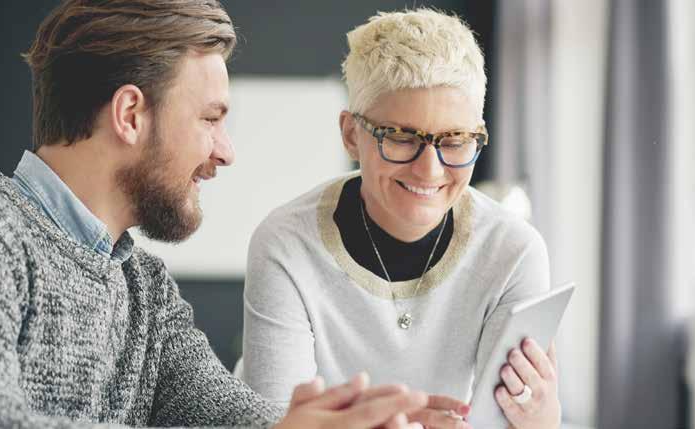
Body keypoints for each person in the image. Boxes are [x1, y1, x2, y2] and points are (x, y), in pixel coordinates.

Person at [0, 1, 440, 427]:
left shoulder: (141, 289)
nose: (225, 151)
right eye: (211, 118)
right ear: (129, 115)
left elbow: (231, 419)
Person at [240, 8, 561, 429]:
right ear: (352, 134)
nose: (429, 170)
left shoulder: (515, 251)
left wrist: (542, 421)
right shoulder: (285, 244)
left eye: (455, 140)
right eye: (402, 138)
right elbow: (278, 422)